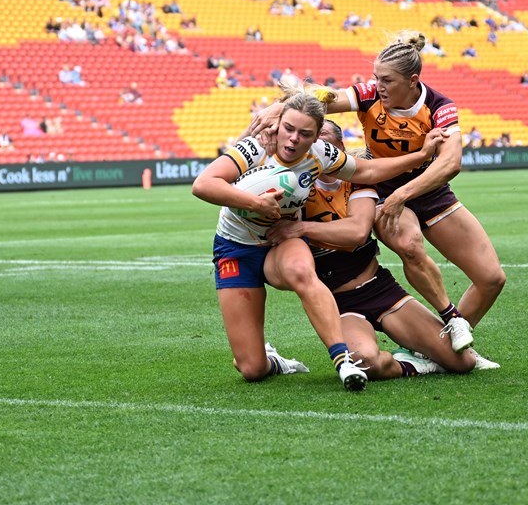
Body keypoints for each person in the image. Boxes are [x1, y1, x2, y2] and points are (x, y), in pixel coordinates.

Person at [248, 30, 505, 368]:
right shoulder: (370, 95)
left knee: (491, 278)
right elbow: (323, 100)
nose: (378, 86)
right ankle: (445, 323)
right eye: (376, 78)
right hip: (381, 187)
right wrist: (277, 107)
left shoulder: (439, 108)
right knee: (410, 244)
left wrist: (404, 194)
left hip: (427, 191)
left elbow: (450, 162)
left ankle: (439, 344)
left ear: (412, 81)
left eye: (386, 80)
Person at [191, 86, 446, 391]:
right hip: (236, 248)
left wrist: (420, 156)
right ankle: (273, 360)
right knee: (251, 368)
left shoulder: (320, 154)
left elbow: (367, 169)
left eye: (304, 133)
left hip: (281, 242)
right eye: (288, 129)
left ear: (315, 137)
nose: (294, 139)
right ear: (279, 123)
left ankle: (343, 361)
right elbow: (203, 184)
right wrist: (256, 203)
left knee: (302, 269)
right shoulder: (256, 147)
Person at [266, 120, 477, 379]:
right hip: (338, 301)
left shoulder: (356, 180)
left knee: (464, 362)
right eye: (314, 139)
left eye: (325, 137)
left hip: (379, 288)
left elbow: (357, 233)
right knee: (366, 361)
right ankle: (407, 364)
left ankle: (418, 348)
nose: (319, 143)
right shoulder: (295, 187)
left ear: (340, 147)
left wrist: (300, 229)